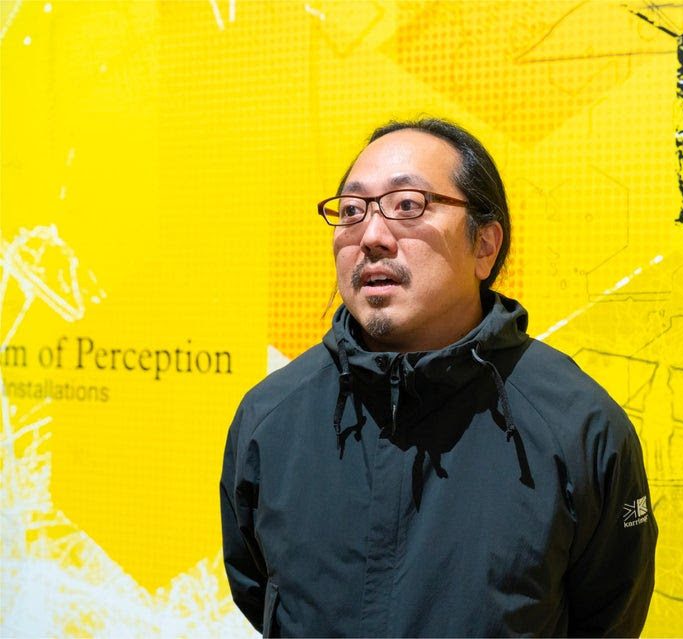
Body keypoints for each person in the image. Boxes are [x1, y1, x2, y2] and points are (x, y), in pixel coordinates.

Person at [219, 117, 658, 637]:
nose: (372, 236)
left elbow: (609, 615)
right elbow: (259, 590)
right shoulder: (271, 417)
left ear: (485, 246)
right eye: (353, 210)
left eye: (408, 205)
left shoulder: (577, 426)